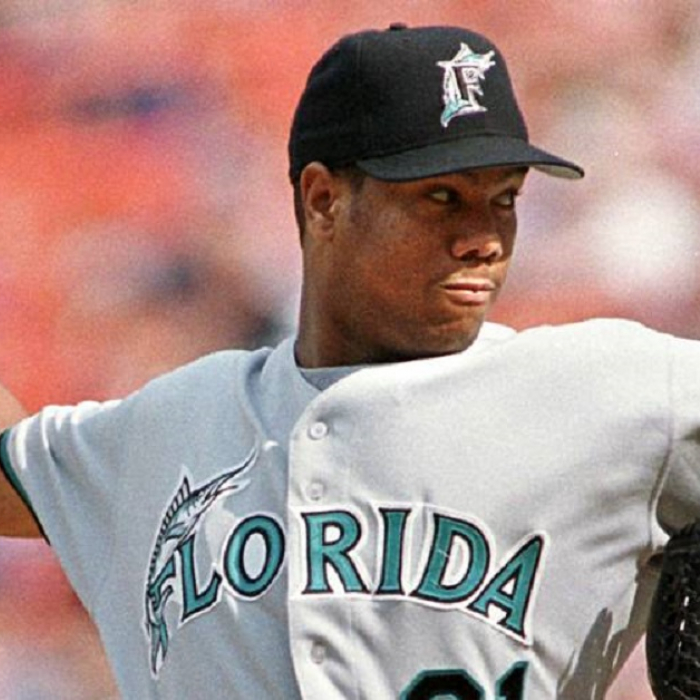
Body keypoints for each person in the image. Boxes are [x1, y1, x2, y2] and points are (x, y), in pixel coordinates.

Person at [0, 22, 688, 699]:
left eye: (503, 199)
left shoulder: (606, 390)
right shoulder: (176, 422)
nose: (484, 238)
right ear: (324, 199)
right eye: (442, 198)